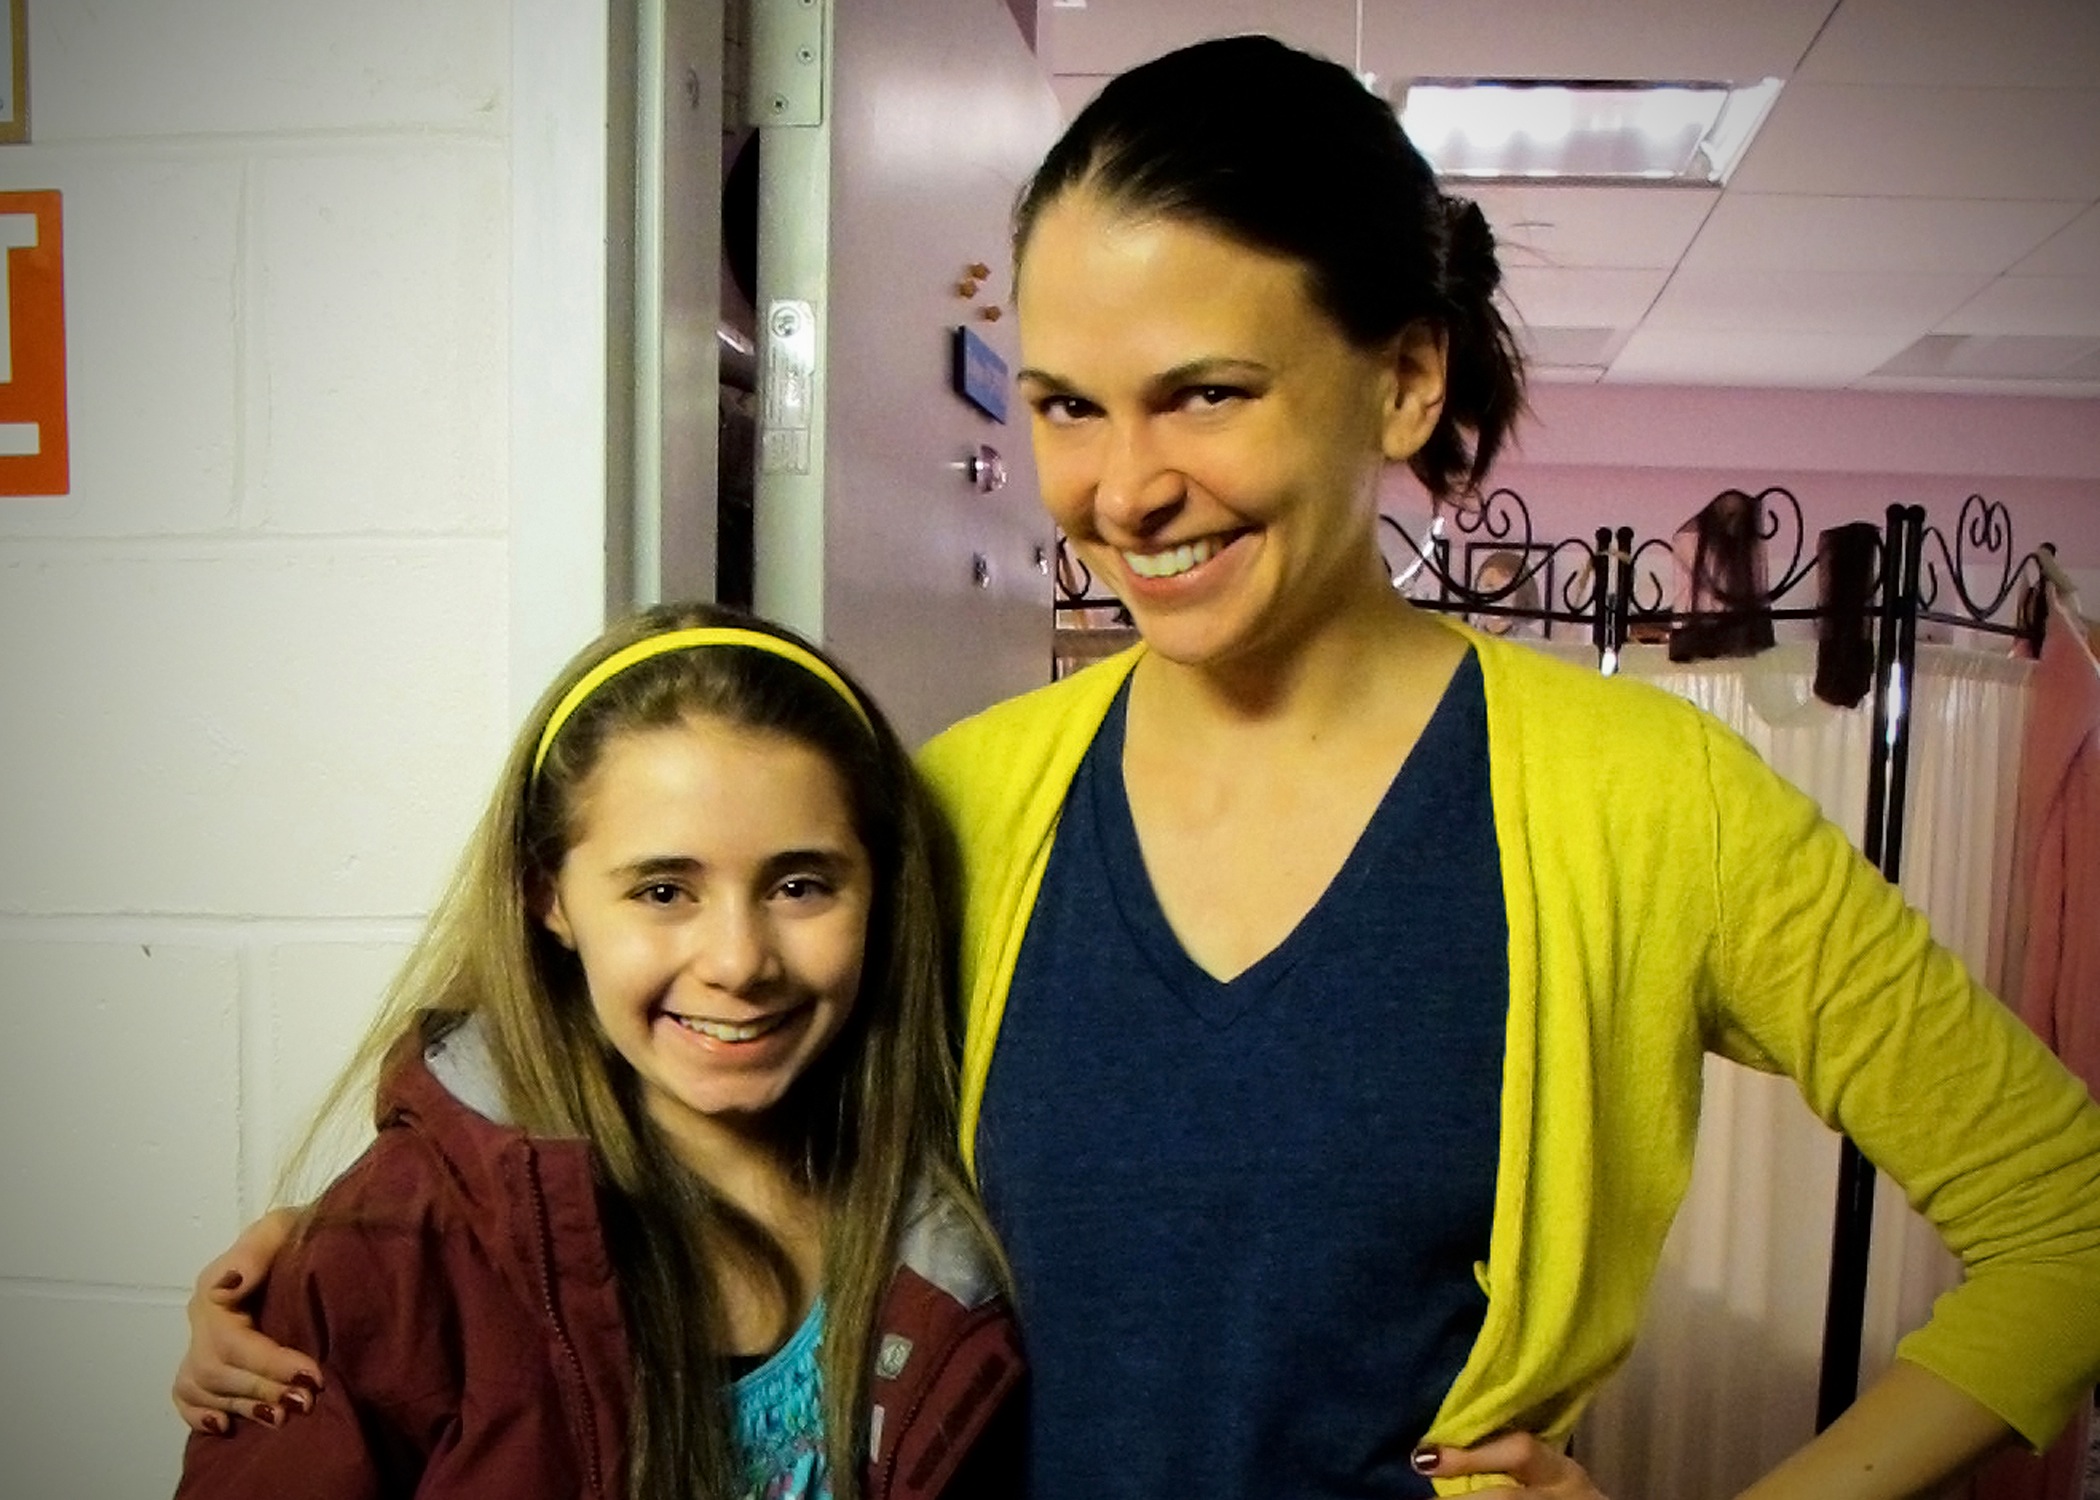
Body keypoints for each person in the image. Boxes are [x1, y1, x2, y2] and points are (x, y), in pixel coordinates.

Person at [177, 34, 2100, 1500]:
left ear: (1405, 378)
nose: (1122, 487)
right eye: (1066, 406)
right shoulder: (970, 799)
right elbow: (656, 1067)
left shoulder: (1653, 807)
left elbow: (2067, 1214)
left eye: (1206, 393)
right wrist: (332, 1273)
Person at [172, 604, 1020, 1500]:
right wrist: (339, 1265)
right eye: (662, 891)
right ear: (551, 900)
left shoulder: (961, 1196)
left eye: (801, 885)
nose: (737, 961)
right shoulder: (394, 1248)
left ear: (881, 890)